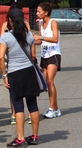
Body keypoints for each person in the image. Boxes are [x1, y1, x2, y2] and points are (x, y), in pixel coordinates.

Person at [0, 8, 40, 146]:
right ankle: (34, 136)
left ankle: (20, 138)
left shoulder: (6, 37)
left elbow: (0, 57)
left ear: (10, 21)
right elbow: (33, 55)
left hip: (14, 73)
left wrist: (4, 75)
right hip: (29, 72)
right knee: (32, 105)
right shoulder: (29, 35)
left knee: (18, 107)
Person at [1, 2, 32, 125]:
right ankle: (15, 113)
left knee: (14, 90)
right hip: (23, 63)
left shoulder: (25, 25)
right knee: (28, 95)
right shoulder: (5, 25)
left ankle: (18, 114)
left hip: (14, 64)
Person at [34, 2, 62, 119]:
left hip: (54, 54)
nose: (37, 13)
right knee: (45, 83)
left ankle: (52, 108)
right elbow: (40, 41)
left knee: (50, 81)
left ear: (45, 12)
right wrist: (31, 40)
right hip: (44, 55)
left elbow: (55, 39)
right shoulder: (41, 23)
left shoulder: (53, 22)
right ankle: (55, 108)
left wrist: (40, 37)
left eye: (39, 11)